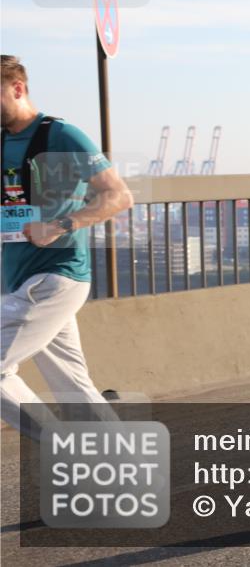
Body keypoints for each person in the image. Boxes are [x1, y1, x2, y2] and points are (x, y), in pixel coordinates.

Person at [1, 54, 133, 440]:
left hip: (55, 277)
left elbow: (118, 196)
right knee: (75, 387)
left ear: (18, 88)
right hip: (18, 278)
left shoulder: (61, 135)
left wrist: (59, 225)